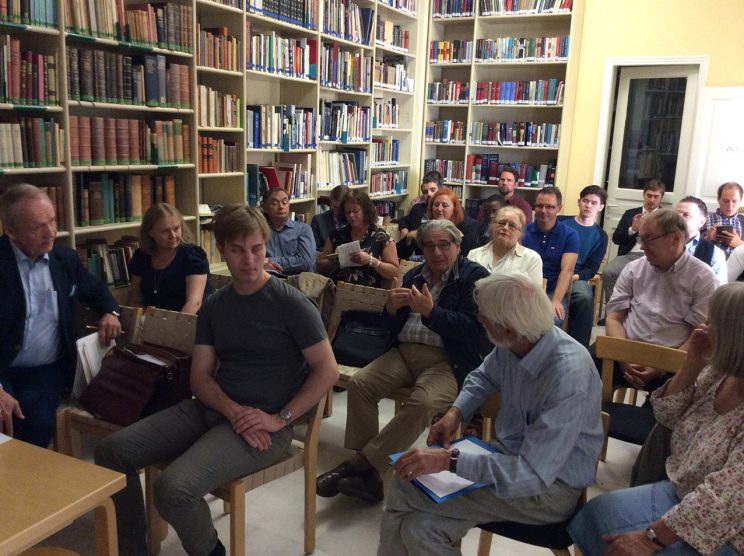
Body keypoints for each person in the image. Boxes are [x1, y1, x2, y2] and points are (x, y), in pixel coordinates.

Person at [95, 204, 339, 556]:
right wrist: (231, 409)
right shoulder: (215, 305)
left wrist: (279, 418)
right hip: (215, 408)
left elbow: (327, 371)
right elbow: (200, 378)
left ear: (266, 246)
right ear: (221, 251)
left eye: (257, 249)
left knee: (174, 490)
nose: (249, 260)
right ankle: (133, 549)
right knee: (112, 451)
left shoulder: (292, 305)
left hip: (267, 426)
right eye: (238, 251)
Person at [378, 271, 603, 556]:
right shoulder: (519, 341)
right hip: (509, 459)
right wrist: (455, 413)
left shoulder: (568, 374)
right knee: (420, 528)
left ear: (508, 328)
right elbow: (483, 377)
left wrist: (450, 461)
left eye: (484, 321)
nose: (480, 323)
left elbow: (531, 475)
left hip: (548, 490)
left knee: (405, 480)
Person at [316, 219, 490, 504]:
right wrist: (392, 309)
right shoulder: (414, 276)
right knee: (361, 384)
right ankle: (368, 478)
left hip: (448, 360)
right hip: (405, 352)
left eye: (444, 245)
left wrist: (433, 314)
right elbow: (391, 327)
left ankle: (360, 465)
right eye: (429, 246)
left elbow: (476, 333)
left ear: (457, 247)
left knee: (422, 403)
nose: (436, 252)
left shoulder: (475, 278)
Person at [569, 282, 744, 556]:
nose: (703, 328)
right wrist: (693, 362)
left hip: (727, 527)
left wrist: (651, 538)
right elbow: (665, 416)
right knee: (598, 515)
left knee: (620, 543)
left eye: (713, 322)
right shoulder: (719, 372)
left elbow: (725, 500)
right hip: (682, 490)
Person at [0, 184, 121, 447]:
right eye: (37, 227)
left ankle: (35, 483)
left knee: (37, 421)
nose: (51, 232)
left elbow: (96, 289)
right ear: (11, 231)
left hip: (46, 370)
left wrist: (110, 312)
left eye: (52, 221)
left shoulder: (64, 259)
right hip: (3, 368)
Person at [602, 209, 718, 391]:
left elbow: (698, 336)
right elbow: (613, 318)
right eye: (641, 239)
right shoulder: (633, 268)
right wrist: (624, 359)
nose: (641, 247)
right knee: (584, 375)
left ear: (676, 239)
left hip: (674, 361)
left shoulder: (703, 277)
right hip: (626, 351)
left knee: (666, 411)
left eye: (648, 240)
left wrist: (661, 366)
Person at [128, 202, 214, 313]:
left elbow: (193, 304)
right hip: (153, 321)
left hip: (191, 321)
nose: (173, 236)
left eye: (176, 228)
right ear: (150, 233)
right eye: (165, 231)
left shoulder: (192, 255)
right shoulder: (141, 256)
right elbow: (136, 300)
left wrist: (172, 329)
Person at [521, 186, 580, 325]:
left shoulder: (570, 235)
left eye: (550, 207)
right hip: (524, 289)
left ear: (559, 208)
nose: (543, 211)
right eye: (540, 206)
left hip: (552, 291)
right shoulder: (523, 231)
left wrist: (556, 300)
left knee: (551, 320)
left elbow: (567, 270)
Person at [559, 185, 609, 348]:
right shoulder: (561, 223)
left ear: (601, 207)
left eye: (593, 203)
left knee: (585, 298)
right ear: (579, 202)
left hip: (576, 277)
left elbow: (592, 267)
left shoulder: (601, 236)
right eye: (585, 201)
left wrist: (573, 277)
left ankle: (578, 347)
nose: (588, 205)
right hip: (553, 271)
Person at [317, 189, 398, 287]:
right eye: (347, 212)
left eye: (355, 211)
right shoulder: (336, 235)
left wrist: (371, 261)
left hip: (369, 295)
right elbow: (319, 265)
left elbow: (394, 272)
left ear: (365, 210)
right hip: (337, 292)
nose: (351, 215)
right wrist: (335, 260)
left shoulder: (381, 237)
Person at [602, 179, 665, 304]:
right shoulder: (630, 213)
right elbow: (616, 239)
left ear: (661, 198)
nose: (652, 200)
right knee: (609, 272)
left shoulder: (665, 216)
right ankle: (613, 311)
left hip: (654, 257)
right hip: (629, 254)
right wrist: (633, 229)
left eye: (656, 196)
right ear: (644, 195)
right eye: (649, 196)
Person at [467, 206, 543, 285]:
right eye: (501, 223)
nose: (505, 228)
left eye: (512, 225)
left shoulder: (531, 259)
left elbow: (533, 296)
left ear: (520, 233)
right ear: (492, 226)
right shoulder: (474, 254)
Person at [262, 187, 316, 275]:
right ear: (265, 207)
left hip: (296, 282)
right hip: (268, 282)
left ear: (288, 205)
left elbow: (304, 262)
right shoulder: (259, 232)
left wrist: (270, 261)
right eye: (275, 203)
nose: (281, 206)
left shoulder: (304, 229)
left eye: (284, 202)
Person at [676, 195, 727, 285]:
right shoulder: (658, 244)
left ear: (701, 222)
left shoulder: (715, 254)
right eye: (676, 214)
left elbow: (720, 293)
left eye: (686, 215)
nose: (678, 219)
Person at [701, 181, 744, 257]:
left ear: (740, 201)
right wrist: (707, 239)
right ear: (718, 199)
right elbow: (691, 248)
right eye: (726, 201)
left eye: (734, 201)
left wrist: (740, 244)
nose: (730, 206)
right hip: (710, 265)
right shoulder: (704, 220)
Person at [397, 170, 441, 242]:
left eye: (433, 190)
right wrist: (404, 229)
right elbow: (403, 220)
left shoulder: (449, 209)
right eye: (425, 192)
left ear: (441, 190)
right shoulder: (418, 208)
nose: (429, 194)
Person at [310, 184, 348, 250]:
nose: (339, 211)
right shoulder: (318, 221)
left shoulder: (353, 219)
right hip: (328, 258)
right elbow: (314, 250)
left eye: (342, 208)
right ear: (331, 203)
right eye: (336, 207)